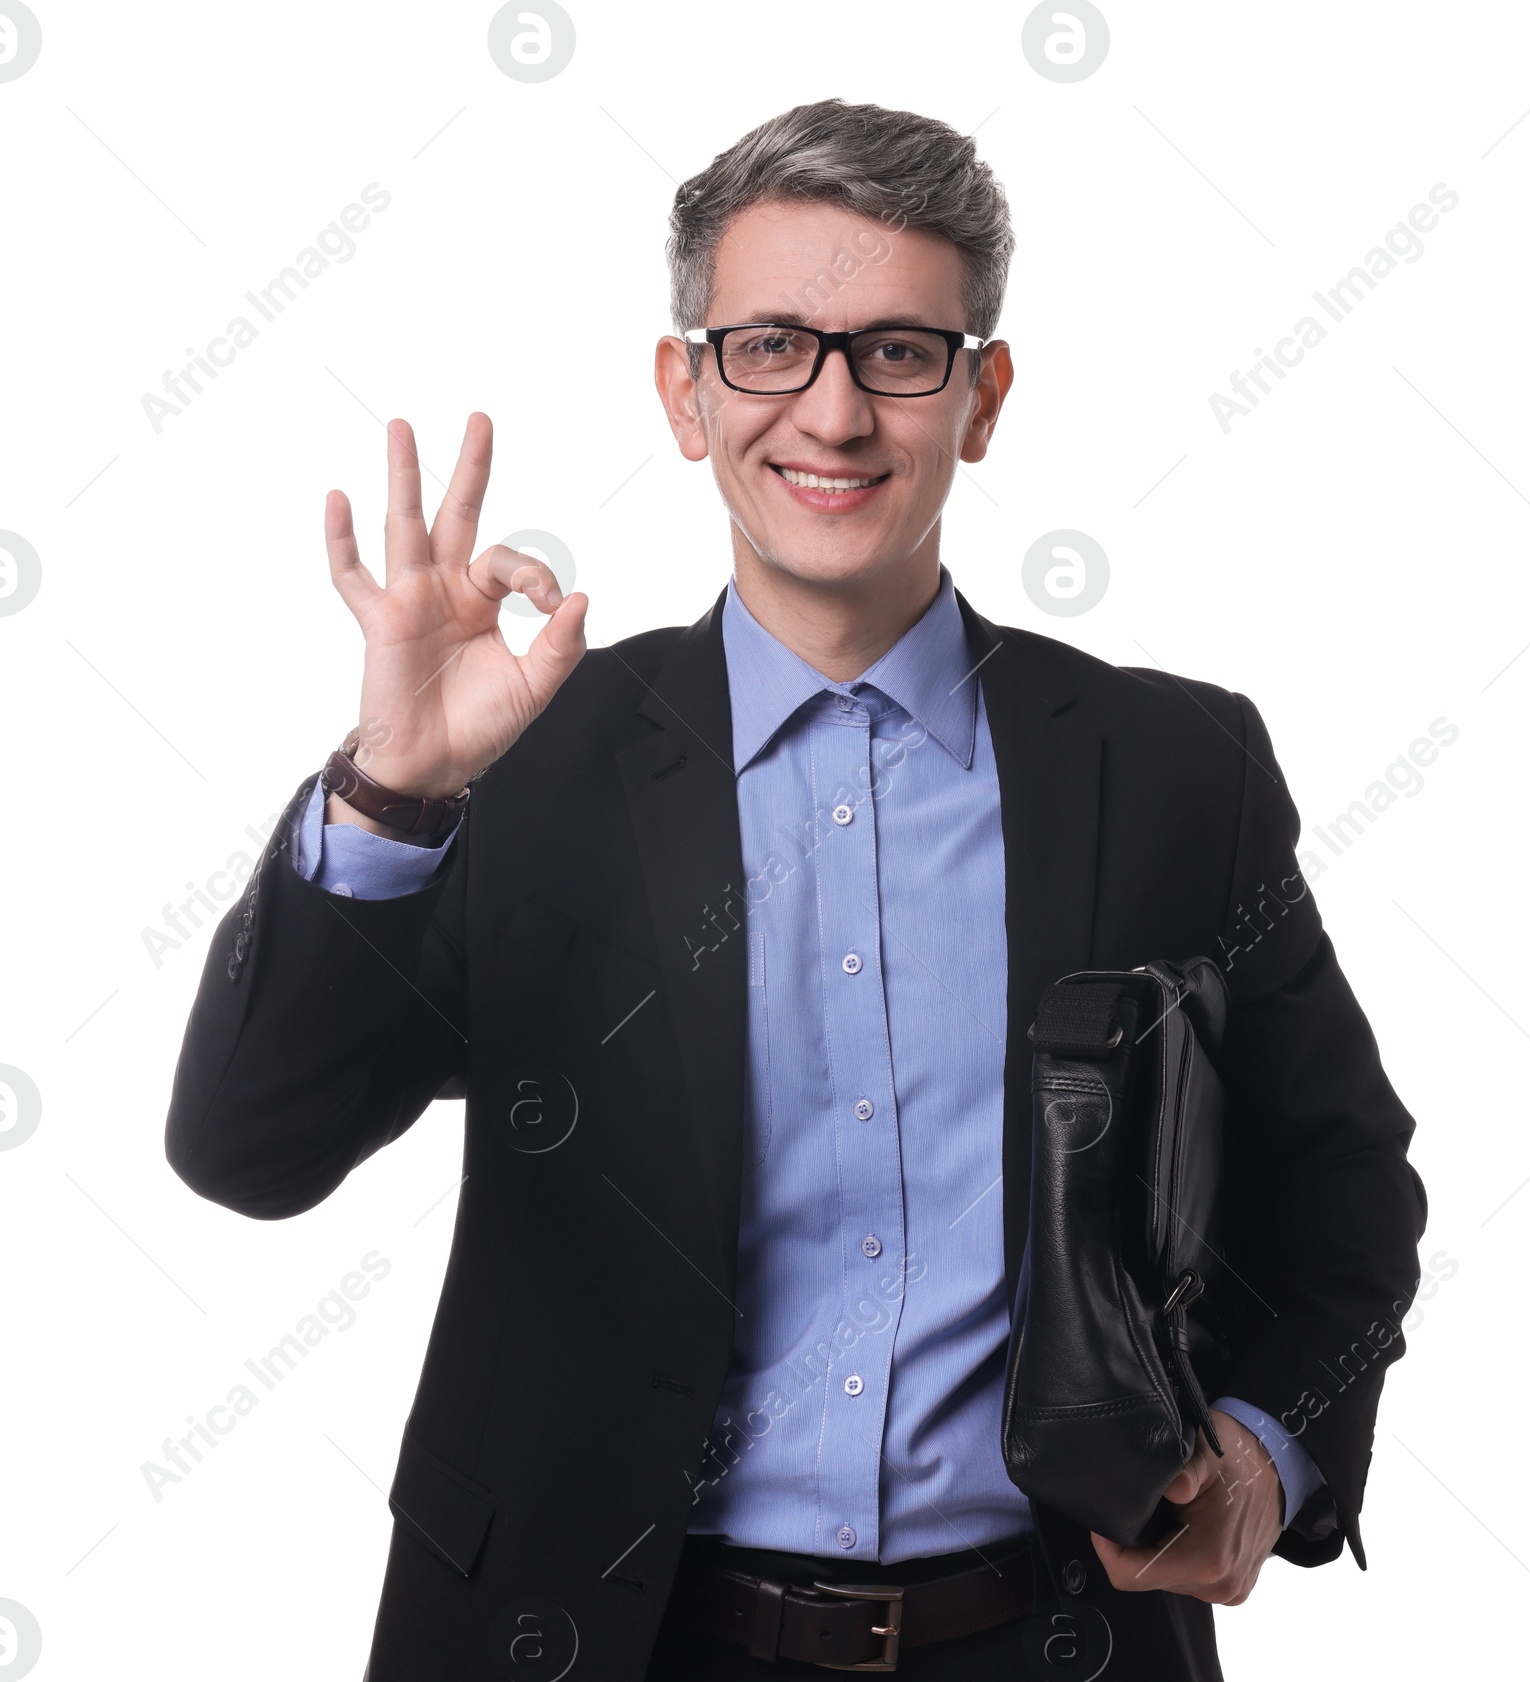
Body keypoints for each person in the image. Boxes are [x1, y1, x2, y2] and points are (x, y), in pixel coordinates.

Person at [166, 99, 1426, 1681]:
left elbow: (1345, 1191)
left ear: (982, 398)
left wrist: (1261, 1455)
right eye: (770, 345)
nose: (831, 413)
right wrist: (389, 790)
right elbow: (244, 1148)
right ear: (686, 393)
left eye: (899, 351)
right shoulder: (525, 762)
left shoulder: (1174, 768)